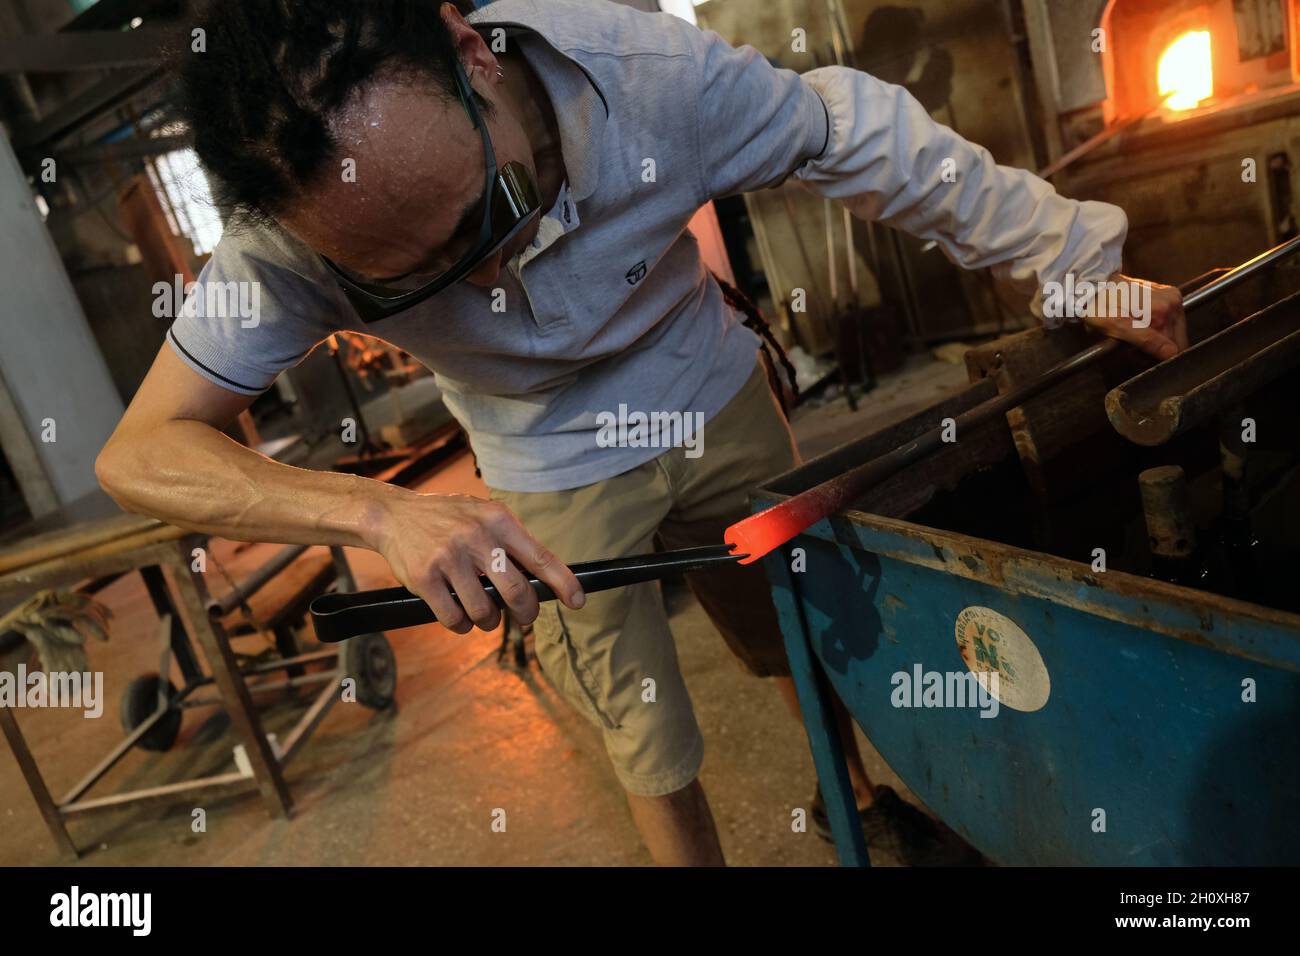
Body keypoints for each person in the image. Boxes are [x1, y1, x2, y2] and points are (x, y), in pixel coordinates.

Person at [96, 0, 1186, 866]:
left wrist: (1072, 259)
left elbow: (854, 133)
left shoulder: (650, 78)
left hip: (702, 383)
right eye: (410, 277)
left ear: (471, 53)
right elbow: (141, 451)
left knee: (795, 632)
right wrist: (377, 509)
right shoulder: (282, 246)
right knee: (643, 721)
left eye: (485, 214)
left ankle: (853, 796)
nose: (486, 277)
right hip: (546, 455)